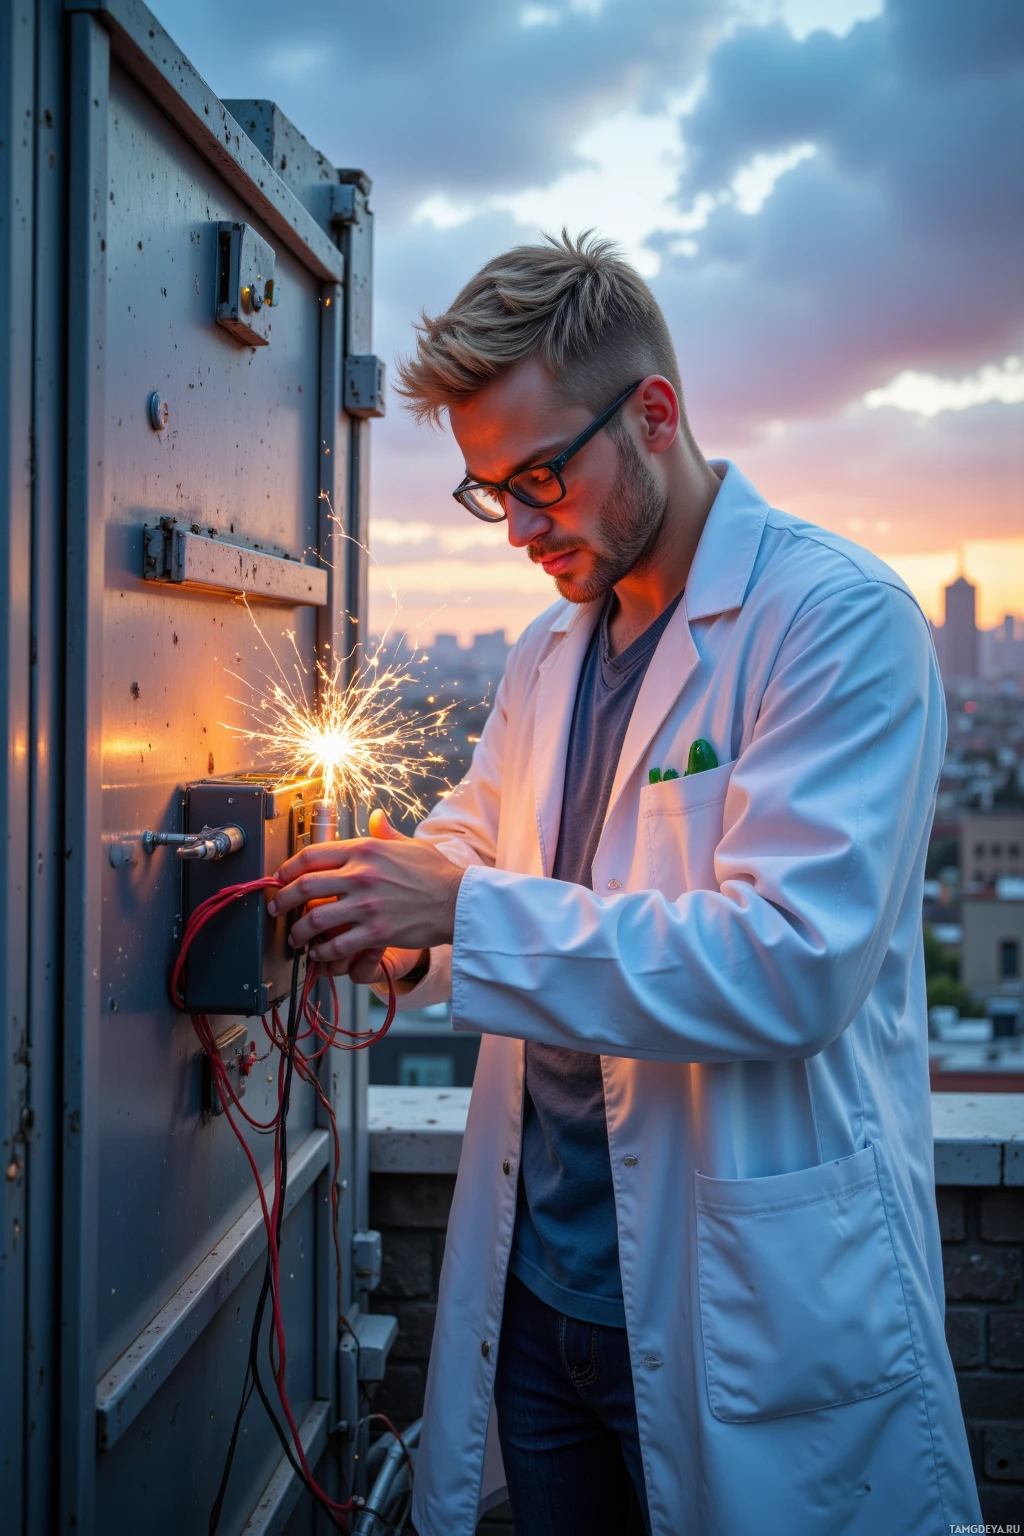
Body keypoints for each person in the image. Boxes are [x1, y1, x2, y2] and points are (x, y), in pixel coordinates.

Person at [268, 232, 981, 1536]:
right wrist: (397, 921)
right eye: (492, 493)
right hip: (541, 1303)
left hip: (744, 1300)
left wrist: (463, 914)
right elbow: (476, 847)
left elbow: (790, 965)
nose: (522, 529)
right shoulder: (550, 651)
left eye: (542, 475)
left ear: (655, 414)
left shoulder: (836, 620)